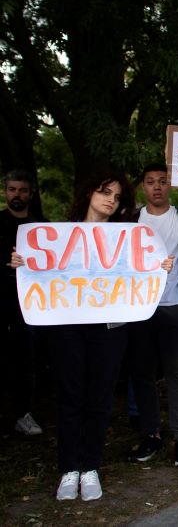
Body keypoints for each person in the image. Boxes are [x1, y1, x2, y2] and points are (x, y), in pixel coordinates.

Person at [12, 170, 173, 501]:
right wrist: (23, 262)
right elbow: (39, 270)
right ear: (88, 193)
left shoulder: (126, 239)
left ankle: (91, 468)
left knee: (99, 398)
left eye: (116, 196)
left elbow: (141, 270)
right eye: (104, 192)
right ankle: (70, 469)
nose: (110, 200)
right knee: (70, 396)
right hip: (66, 326)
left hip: (110, 329)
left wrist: (159, 267)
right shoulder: (56, 235)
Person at [126, 164, 178, 467]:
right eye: (150, 182)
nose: (156, 187)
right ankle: (152, 435)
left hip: (175, 306)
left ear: (171, 185)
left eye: (162, 181)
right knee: (142, 374)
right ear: (142, 187)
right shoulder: (129, 221)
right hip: (137, 308)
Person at [0, 170, 44, 435]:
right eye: (12, 189)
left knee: (26, 358)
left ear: (31, 193)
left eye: (23, 190)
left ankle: (22, 413)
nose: (17, 195)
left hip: (28, 305)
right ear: (5, 192)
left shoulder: (42, 227)